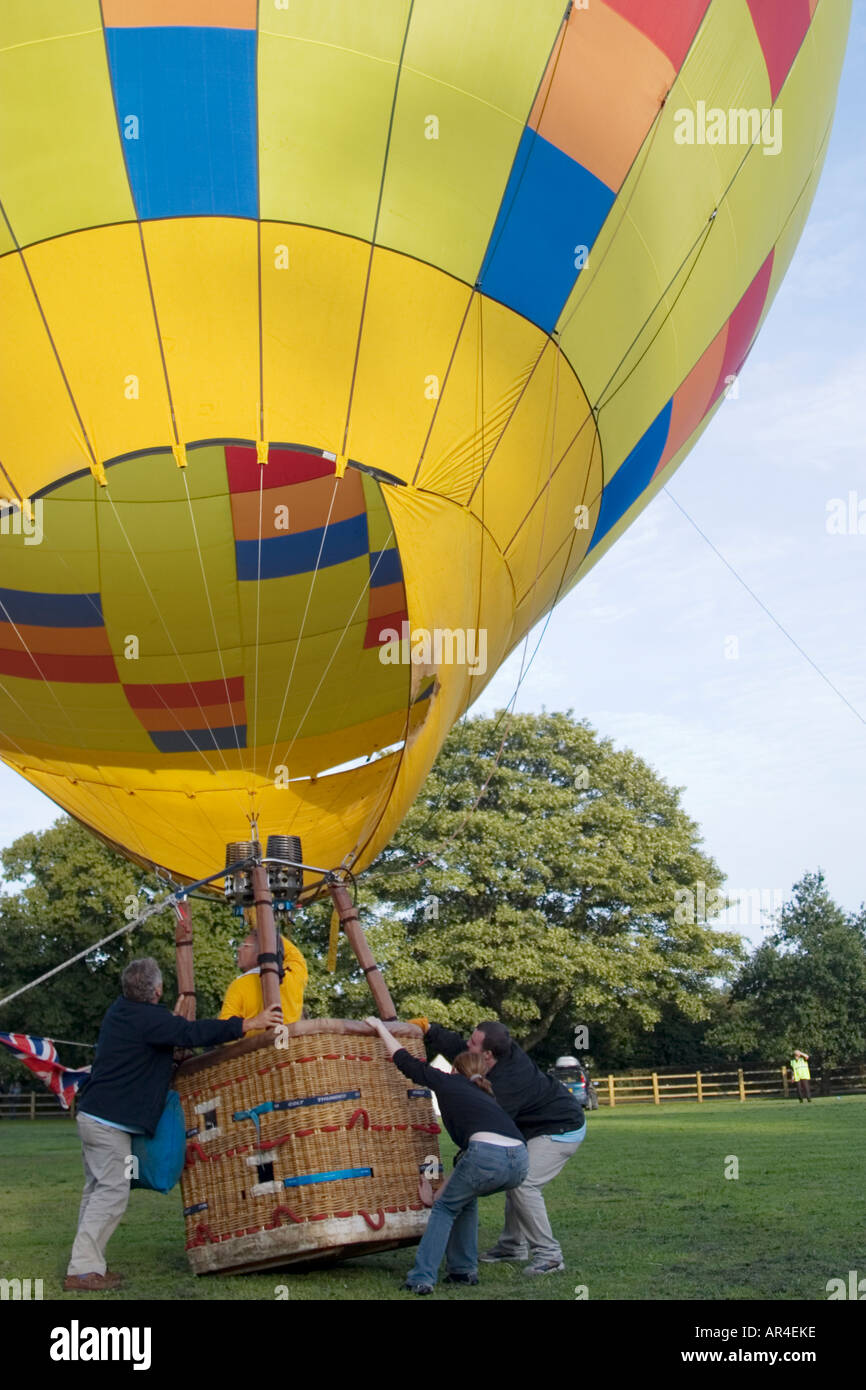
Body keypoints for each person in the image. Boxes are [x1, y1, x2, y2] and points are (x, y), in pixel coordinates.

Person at [66, 956, 281, 1293]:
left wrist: (171, 1025)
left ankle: (84, 1264)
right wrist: (249, 1022)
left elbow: (164, 1040)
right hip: (108, 1124)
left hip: (93, 1116)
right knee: (112, 1191)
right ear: (158, 989)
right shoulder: (152, 1019)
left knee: (96, 1191)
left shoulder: (120, 1012)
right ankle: (82, 1270)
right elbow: (191, 1032)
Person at [365, 1016, 528, 1295]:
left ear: (454, 1070)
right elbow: (470, 1160)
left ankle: (421, 1278)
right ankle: (463, 1271)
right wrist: (445, 1191)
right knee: (464, 1201)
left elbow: (405, 1061)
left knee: (443, 1210)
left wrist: (380, 1027)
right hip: (520, 1161)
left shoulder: (448, 1083)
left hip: (487, 1156)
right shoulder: (486, 1095)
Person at [413, 1017, 585, 1275]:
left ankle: (550, 1257)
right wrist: (430, 1029)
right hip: (532, 1129)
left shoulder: (509, 1083)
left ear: (488, 1055)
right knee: (517, 1182)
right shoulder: (493, 1054)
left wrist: (444, 1192)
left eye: (473, 1041)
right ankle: (512, 1246)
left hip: (561, 1128)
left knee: (524, 1183)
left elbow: (485, 1137)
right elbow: (460, 1050)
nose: (467, 1044)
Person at [219, 928, 307, 1027]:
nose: (239, 949)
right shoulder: (294, 975)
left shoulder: (238, 986)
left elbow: (225, 1029)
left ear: (260, 952)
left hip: (256, 1042)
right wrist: (265, 930)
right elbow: (293, 953)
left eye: (245, 945)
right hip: (290, 1041)